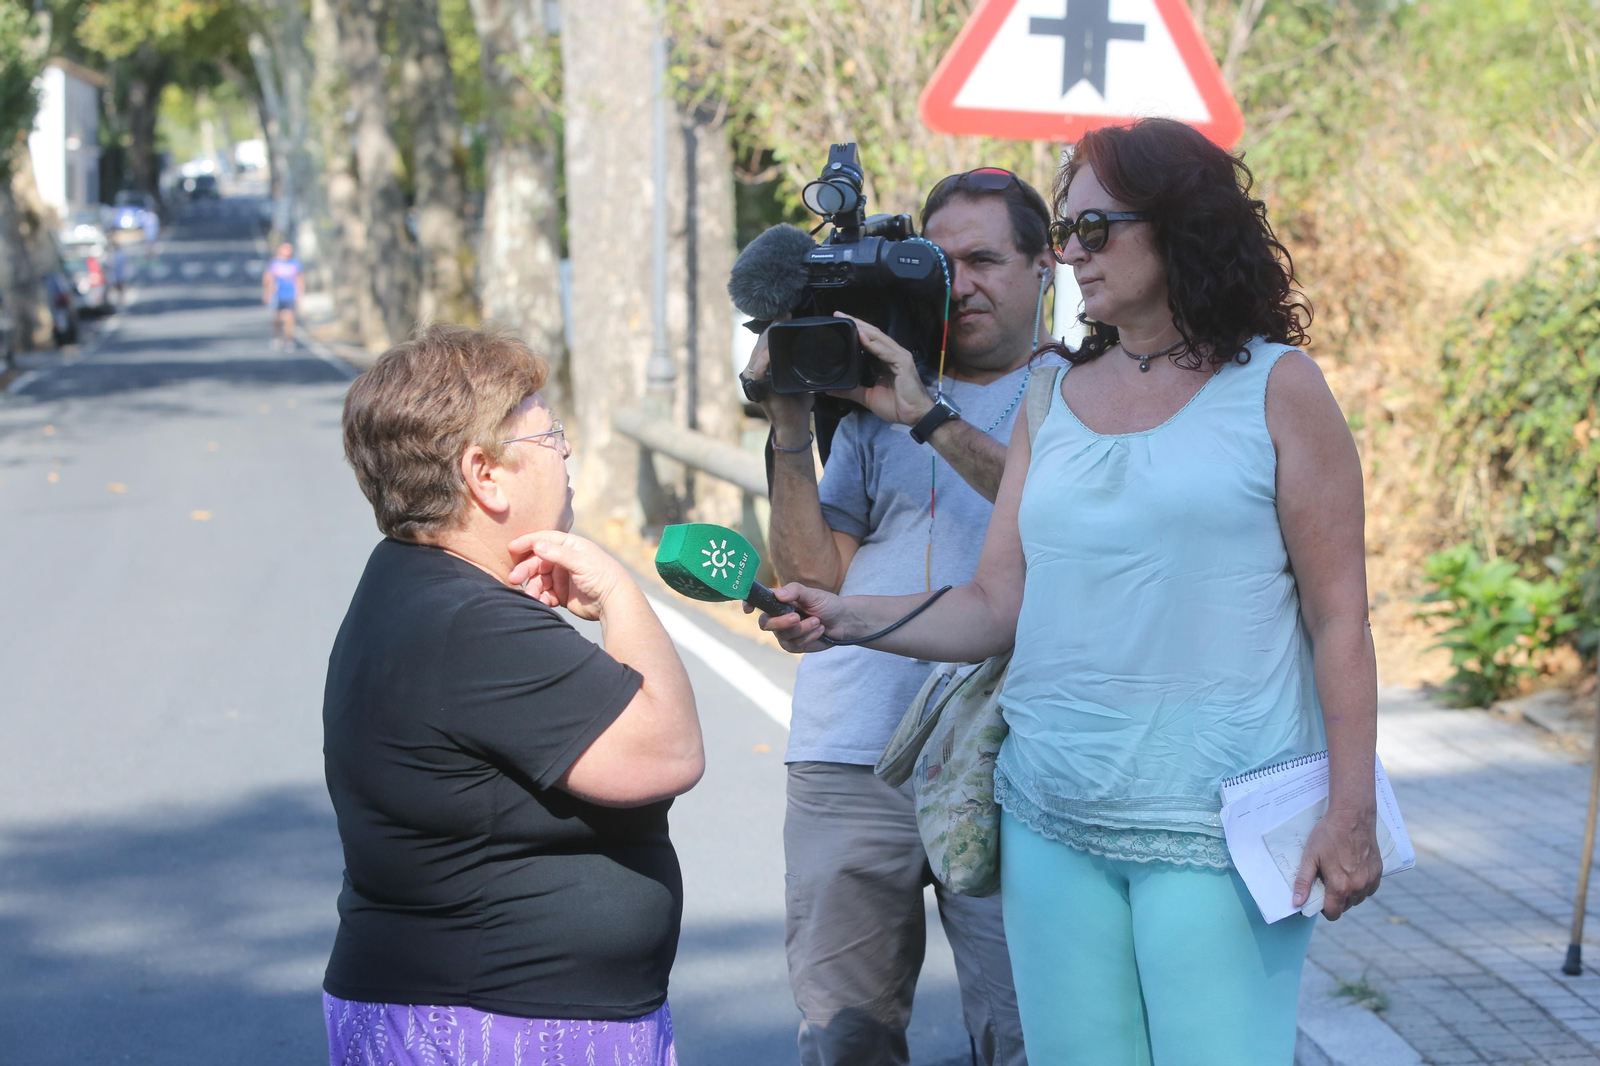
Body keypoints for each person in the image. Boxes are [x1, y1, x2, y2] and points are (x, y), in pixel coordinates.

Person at [759, 117, 1385, 1065]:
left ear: (1179, 228)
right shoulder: (1055, 400)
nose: (1072, 252)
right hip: (1047, 822)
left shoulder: (1280, 387)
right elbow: (995, 604)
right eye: (1066, 229)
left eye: (1095, 229)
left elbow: (1341, 619)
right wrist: (844, 616)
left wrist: (1350, 809)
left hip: (1215, 831)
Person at [322, 325, 703, 1066]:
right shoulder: (471, 623)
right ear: (485, 475)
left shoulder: (414, 585)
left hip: (469, 1008)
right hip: (498, 1024)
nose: (566, 451)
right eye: (549, 435)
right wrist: (620, 594)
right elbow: (667, 752)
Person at [740, 168, 1055, 1066]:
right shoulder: (874, 399)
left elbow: (1056, 513)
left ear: (1044, 265)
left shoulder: (1081, 394)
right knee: (846, 1041)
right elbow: (812, 574)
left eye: (985, 260)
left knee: (1025, 1034)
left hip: (1008, 759)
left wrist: (929, 415)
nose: (963, 285)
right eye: (943, 265)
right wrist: (791, 420)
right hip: (849, 749)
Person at [262, 242, 304, 350]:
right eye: (285, 248)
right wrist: (267, 294)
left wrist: (300, 294)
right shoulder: (275, 263)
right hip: (277, 294)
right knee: (277, 318)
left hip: (290, 294)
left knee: (290, 317)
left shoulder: (295, 263)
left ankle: (290, 339)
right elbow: (268, 278)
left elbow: (300, 279)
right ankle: (276, 337)